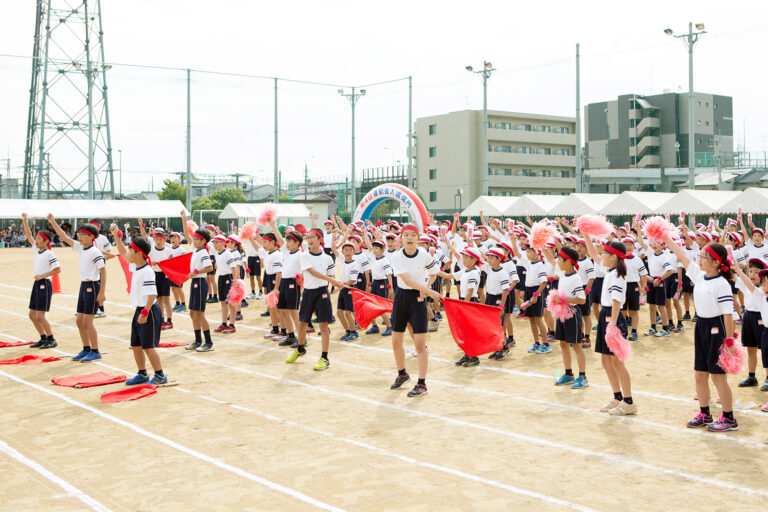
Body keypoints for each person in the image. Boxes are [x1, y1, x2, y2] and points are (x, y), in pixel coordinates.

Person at [665, 236, 738, 432]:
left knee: (718, 377)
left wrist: (729, 342)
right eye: (701, 255)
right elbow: (681, 254)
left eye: (705, 256)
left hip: (717, 328)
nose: (700, 259)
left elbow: (728, 315)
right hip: (701, 326)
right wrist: (665, 237)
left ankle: (729, 418)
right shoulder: (699, 275)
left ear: (716, 262)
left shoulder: (722, 284)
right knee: (700, 374)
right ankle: (705, 413)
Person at [584, 235, 636, 415]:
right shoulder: (609, 271)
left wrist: (612, 325)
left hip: (612, 317)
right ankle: (617, 397)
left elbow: (616, 301)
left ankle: (629, 402)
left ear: (614, 257)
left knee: (617, 361)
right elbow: (594, 255)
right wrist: (585, 235)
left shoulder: (618, 275)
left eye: (605, 253)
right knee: (606, 360)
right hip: (605, 316)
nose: (601, 255)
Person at [388, 225, 442, 397]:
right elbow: (406, 280)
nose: (409, 238)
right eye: (406, 235)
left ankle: (421, 384)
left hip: (418, 300)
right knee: (396, 341)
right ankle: (402, 373)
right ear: (401, 238)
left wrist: (426, 286)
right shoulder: (396, 257)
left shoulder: (424, 255)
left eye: (413, 235)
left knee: (419, 344)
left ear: (418, 238)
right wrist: (429, 291)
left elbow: (435, 272)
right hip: (401, 297)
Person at [110, 226, 167, 385]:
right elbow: (122, 253)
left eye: (132, 251)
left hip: (147, 310)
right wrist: (116, 237)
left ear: (140, 253)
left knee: (148, 346)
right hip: (139, 309)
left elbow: (152, 294)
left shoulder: (147, 271)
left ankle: (160, 375)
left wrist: (144, 313)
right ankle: (142, 374)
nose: (129, 254)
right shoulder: (136, 265)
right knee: (136, 344)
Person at [47, 214, 107, 362]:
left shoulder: (95, 252)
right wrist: (53, 222)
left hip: (93, 286)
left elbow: (103, 271)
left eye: (83, 235)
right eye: (79, 234)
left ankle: (95, 350)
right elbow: (63, 236)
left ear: (91, 237)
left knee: (88, 321)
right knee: (79, 321)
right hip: (83, 286)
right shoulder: (80, 248)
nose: (79, 237)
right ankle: (86, 348)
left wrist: (102, 292)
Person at [285, 228, 344, 370]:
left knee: (324, 326)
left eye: (313, 237)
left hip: (322, 293)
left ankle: (324, 358)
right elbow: (312, 272)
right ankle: (300, 348)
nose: (309, 240)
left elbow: (332, 276)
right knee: (302, 323)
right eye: (308, 237)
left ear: (320, 239)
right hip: (308, 293)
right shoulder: (304, 256)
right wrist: (331, 279)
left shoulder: (328, 258)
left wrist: (336, 284)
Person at [543, 246, 588, 389]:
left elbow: (582, 300)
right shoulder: (563, 273)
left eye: (560, 260)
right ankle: (568, 374)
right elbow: (551, 260)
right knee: (563, 344)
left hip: (572, 314)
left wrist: (564, 300)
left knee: (576, 345)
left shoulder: (575, 278)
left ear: (568, 261)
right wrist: (541, 244)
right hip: (561, 314)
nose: (558, 262)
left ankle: (583, 376)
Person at [21, 213, 60, 349]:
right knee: (32, 315)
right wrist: (25, 221)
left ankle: (52, 339)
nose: (36, 240)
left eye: (39, 239)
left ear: (46, 241)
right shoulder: (37, 251)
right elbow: (28, 235)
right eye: (36, 238)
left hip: (44, 284)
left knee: (40, 316)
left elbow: (57, 269)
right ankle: (43, 338)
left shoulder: (49, 253)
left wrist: (43, 275)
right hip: (37, 284)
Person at [181, 210, 215, 352]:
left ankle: (208, 342)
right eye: (194, 239)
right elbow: (187, 235)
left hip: (200, 283)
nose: (193, 241)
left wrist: (196, 272)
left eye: (197, 239)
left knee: (200, 314)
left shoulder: (203, 252)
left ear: (203, 241)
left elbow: (209, 267)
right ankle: (197, 340)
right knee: (192, 313)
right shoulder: (195, 249)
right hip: (195, 283)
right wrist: (184, 219)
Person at [735, 258, 768, 389]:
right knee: (752, 348)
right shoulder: (760, 295)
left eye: (756, 272)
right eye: (751, 271)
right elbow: (745, 283)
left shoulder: (760, 292)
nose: (753, 274)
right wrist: (736, 268)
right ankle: (752, 376)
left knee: (765, 352)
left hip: (760, 320)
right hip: (750, 317)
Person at [138, 220, 174, 330]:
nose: (158, 241)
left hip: (164, 276)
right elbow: (147, 261)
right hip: (154, 275)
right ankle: (161, 319)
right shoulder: (151, 249)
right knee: (158, 299)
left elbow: (172, 263)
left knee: (166, 299)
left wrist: (165, 265)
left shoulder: (168, 250)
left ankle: (169, 320)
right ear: (154, 240)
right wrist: (152, 263)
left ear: (164, 240)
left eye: (160, 239)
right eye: (156, 239)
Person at [272, 223, 302, 347]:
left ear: (298, 243)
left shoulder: (301, 254)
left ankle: (302, 338)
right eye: (287, 240)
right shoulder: (286, 252)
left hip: (292, 283)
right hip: (284, 282)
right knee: (283, 310)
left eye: (290, 241)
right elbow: (279, 238)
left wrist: (300, 276)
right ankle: (290, 336)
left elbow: (305, 270)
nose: (287, 243)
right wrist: (272, 224)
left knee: (293, 312)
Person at [211, 234, 239, 334]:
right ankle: (224, 323)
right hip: (221, 277)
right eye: (214, 243)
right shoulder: (216, 253)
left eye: (217, 243)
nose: (215, 245)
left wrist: (235, 281)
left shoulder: (228, 254)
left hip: (228, 277)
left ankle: (232, 325)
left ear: (223, 243)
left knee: (230, 302)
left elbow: (233, 267)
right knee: (223, 301)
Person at [366, 240, 394, 336]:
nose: (374, 250)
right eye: (374, 248)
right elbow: (368, 245)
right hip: (375, 282)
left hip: (383, 283)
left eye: (377, 248)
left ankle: (389, 327)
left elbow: (389, 274)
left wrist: (391, 288)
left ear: (382, 249)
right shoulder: (374, 258)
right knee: (371, 305)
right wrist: (365, 233)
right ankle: (375, 326)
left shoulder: (384, 260)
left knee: (381, 306)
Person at [168, 232, 188, 312]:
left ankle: (183, 304)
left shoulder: (181, 249)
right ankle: (177, 303)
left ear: (179, 239)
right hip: (171, 272)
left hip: (178, 272)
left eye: (175, 238)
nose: (172, 240)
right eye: (171, 238)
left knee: (178, 288)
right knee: (173, 288)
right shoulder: (170, 249)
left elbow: (185, 259)